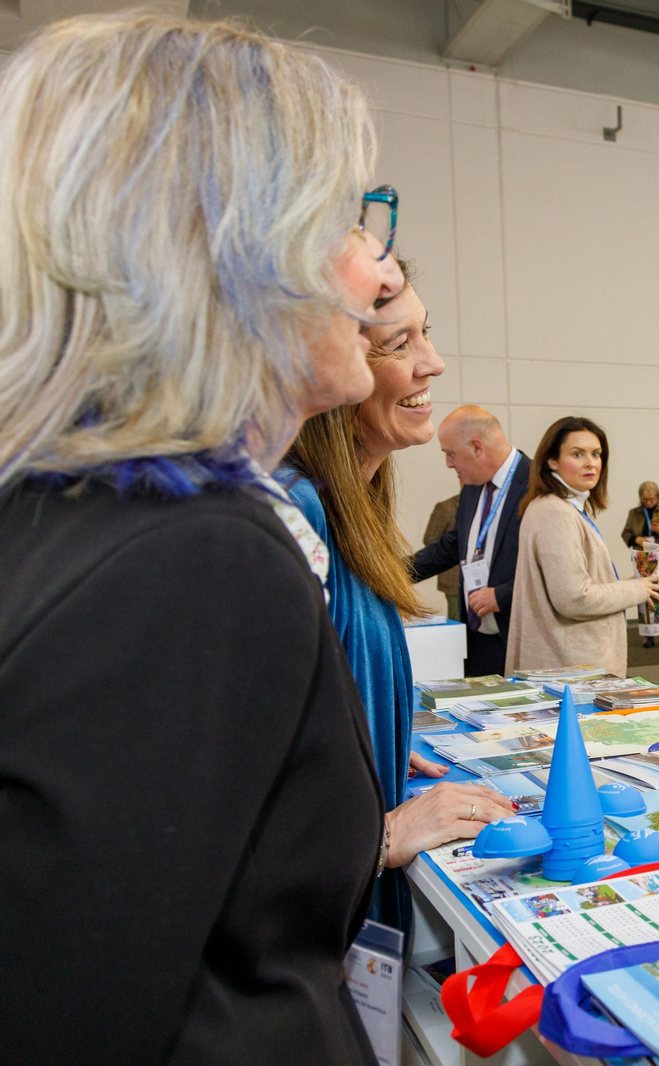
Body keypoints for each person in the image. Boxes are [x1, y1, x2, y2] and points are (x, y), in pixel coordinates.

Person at [0, 14, 411, 1061]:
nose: (377, 269)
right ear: (234, 244)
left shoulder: (78, 515)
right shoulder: (194, 562)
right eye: (348, 224)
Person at [279, 262, 515, 933]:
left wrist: (374, 732)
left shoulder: (357, 509)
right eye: (399, 343)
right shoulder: (299, 511)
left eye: (427, 335)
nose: (432, 364)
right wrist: (379, 838)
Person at [506, 416, 659, 678]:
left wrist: (629, 586)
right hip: (570, 669)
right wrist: (634, 589)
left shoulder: (560, 507)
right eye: (578, 454)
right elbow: (573, 599)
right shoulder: (555, 512)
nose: (591, 462)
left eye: (596, 454)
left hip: (567, 664)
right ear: (552, 460)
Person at [411, 405, 529, 675]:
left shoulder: (537, 486)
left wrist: (503, 595)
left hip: (519, 642)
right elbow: (453, 545)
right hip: (477, 639)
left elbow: (553, 570)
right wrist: (394, 574)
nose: (449, 464)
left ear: (477, 447)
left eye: (450, 454)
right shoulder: (474, 485)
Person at [623, 481, 659, 648]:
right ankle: (648, 636)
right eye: (645, 499)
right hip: (643, 558)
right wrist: (636, 539)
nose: (649, 502)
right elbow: (626, 533)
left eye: (652, 499)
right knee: (644, 595)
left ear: (657, 497)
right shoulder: (634, 513)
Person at [425, 492, 463, 621]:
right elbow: (430, 539)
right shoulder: (446, 507)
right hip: (454, 579)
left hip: (482, 580)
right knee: (458, 621)